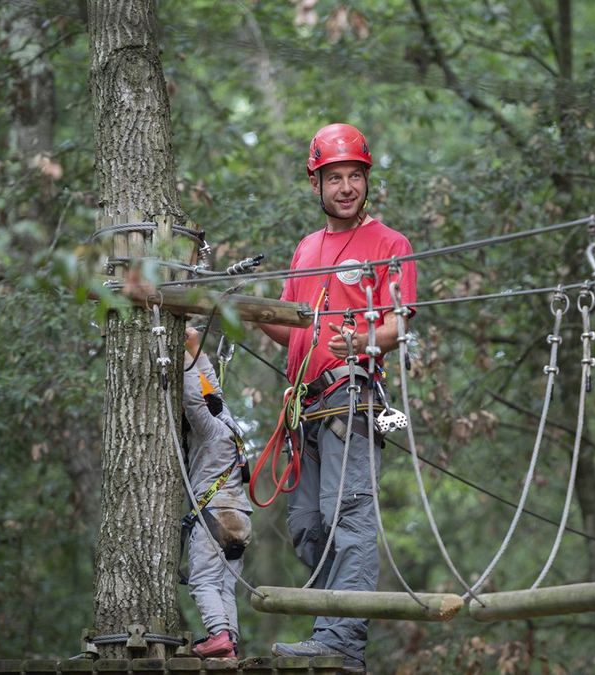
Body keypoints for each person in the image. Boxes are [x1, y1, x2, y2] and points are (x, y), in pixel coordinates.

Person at [261, 123, 417, 670]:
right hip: (304, 405)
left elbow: (398, 323)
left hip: (352, 400)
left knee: (348, 516)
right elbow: (290, 327)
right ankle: (332, 628)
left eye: (355, 176)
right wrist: (246, 316)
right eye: (335, 178)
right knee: (307, 526)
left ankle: (341, 641)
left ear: (366, 181)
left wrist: (365, 339)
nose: (346, 187)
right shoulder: (306, 248)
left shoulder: (389, 244)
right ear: (316, 185)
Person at [181, 327, 253, 659]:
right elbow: (213, 393)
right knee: (225, 585)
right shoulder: (228, 422)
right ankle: (229, 643)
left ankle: (218, 634)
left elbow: (195, 399)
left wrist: (182, 357)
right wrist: (196, 347)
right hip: (241, 517)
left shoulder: (209, 429)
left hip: (215, 514)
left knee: (204, 582)